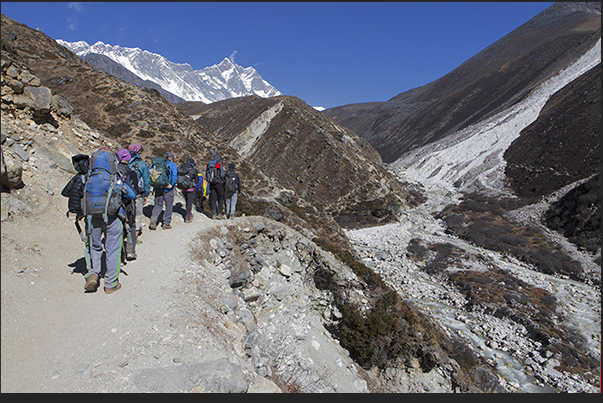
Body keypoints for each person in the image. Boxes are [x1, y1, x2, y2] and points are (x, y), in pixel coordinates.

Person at [83, 148, 137, 294]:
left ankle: (93, 273)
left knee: (93, 246)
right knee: (112, 248)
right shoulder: (116, 177)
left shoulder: (87, 177)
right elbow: (132, 195)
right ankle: (110, 283)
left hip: (92, 218)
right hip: (113, 217)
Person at [115, 149, 139, 261]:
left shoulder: (113, 171)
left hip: (115, 202)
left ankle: (119, 253)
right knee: (131, 225)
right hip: (128, 202)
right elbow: (136, 190)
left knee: (117, 226)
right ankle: (130, 251)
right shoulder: (131, 172)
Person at [149, 151, 178, 230]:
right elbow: (174, 175)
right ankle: (166, 223)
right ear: (171, 158)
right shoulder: (172, 165)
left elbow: (150, 171)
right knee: (168, 206)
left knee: (158, 204)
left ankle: (153, 219)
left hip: (158, 187)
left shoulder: (157, 164)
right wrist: (171, 184)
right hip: (168, 189)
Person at [127, 143, 151, 237]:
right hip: (137, 192)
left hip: (125, 191)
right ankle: (134, 237)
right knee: (137, 214)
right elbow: (146, 180)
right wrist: (146, 193)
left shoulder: (124, 160)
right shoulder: (142, 164)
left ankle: (126, 233)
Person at [179, 158, 199, 223]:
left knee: (186, 201)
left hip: (183, 188)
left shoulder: (181, 168)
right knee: (189, 203)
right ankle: (188, 217)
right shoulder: (193, 170)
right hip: (191, 188)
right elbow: (197, 180)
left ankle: (187, 214)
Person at [206, 154, 225, 219]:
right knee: (220, 198)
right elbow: (222, 175)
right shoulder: (219, 165)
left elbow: (206, 174)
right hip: (218, 183)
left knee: (213, 199)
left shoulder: (209, 165)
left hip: (211, 183)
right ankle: (219, 213)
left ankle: (213, 214)